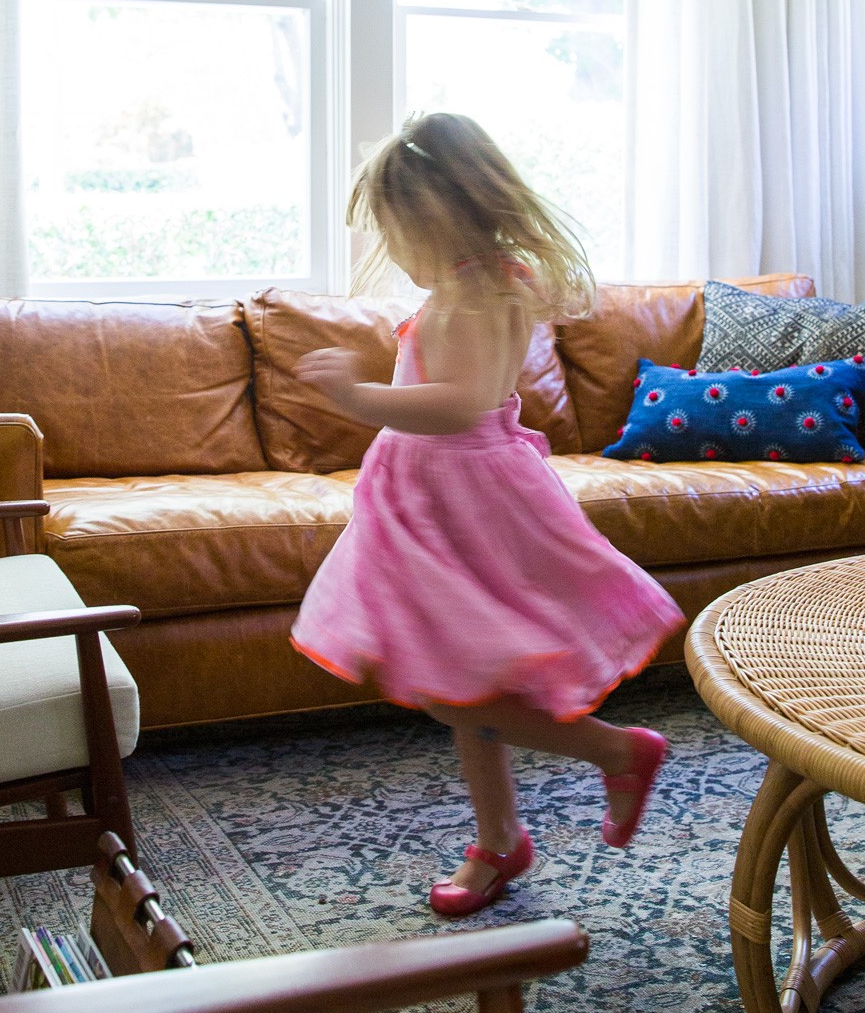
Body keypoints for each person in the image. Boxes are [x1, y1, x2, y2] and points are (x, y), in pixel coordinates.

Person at [292, 112, 684, 918]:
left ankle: (615, 751)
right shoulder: (487, 281)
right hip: (439, 495)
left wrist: (356, 395)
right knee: (462, 668)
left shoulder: (473, 297)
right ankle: (498, 840)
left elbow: (462, 402)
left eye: (397, 230)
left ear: (438, 217)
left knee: (452, 691)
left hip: (456, 499)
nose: (392, 249)